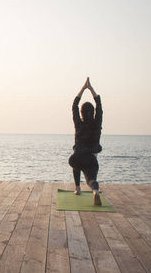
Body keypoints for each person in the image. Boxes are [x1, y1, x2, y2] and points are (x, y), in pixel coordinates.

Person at [68, 77, 103, 205]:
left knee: (76, 162)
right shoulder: (97, 124)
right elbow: (99, 105)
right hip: (91, 160)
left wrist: (83, 88)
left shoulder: (78, 124)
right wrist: (91, 89)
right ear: (93, 113)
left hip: (76, 158)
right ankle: (95, 191)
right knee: (90, 180)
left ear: (81, 113)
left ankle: (77, 188)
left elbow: (74, 105)